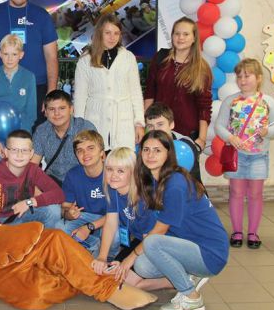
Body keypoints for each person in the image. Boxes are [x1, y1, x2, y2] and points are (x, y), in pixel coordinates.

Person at [114, 131, 229, 310]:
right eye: (146, 150)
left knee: (151, 244)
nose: (150, 155)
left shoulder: (175, 183)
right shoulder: (153, 180)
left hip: (210, 252)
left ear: (168, 154)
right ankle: (191, 276)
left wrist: (128, 259)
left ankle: (191, 297)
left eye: (157, 150)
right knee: (143, 266)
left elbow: (160, 230)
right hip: (188, 246)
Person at [214, 58, 274, 249]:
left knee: (255, 194)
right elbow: (219, 125)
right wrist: (230, 137)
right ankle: (237, 231)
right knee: (236, 193)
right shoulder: (230, 101)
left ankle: (253, 233)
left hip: (259, 156)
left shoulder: (268, 102)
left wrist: (268, 131)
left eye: (247, 76)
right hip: (236, 156)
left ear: (259, 78)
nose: (242, 80)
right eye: (239, 76)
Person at [0, 0, 58, 127]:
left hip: (36, 88)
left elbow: (52, 57)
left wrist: (51, 93)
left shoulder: (42, 15)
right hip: (1, 87)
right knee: (3, 137)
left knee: (34, 138)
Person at [74, 14, 145, 151]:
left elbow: (136, 92)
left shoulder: (128, 58)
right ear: (99, 33)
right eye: (108, 33)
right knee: (96, 157)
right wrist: (79, 126)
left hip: (123, 122)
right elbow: (80, 96)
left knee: (123, 160)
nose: (112, 37)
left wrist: (139, 123)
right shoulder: (85, 60)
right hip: (95, 121)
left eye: (116, 33)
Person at [144, 17, 212, 150]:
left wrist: (202, 139)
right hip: (159, 130)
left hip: (187, 135)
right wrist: (145, 126)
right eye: (177, 33)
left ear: (194, 38)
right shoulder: (160, 58)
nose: (181, 38)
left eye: (186, 34)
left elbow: (204, 107)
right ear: (172, 36)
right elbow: (149, 93)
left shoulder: (201, 68)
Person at [91, 147, 156, 275]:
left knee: (134, 270)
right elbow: (110, 223)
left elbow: (149, 239)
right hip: (137, 238)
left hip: (156, 241)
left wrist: (127, 262)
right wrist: (102, 257)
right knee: (111, 273)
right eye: (109, 169)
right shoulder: (113, 188)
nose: (113, 175)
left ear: (133, 173)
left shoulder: (144, 199)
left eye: (120, 171)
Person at [0, 129, 64, 228]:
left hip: (24, 215)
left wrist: (29, 202)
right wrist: (1, 231)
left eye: (24, 150)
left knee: (54, 210)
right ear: (6, 152)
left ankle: (44, 237)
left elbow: (59, 194)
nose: (19, 155)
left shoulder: (33, 170)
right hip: (1, 223)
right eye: (14, 150)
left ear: (31, 153)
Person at [0, 33, 36, 172]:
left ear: (21, 55)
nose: (10, 58)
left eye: (14, 54)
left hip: (20, 140)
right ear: (0, 54)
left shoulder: (29, 77)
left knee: (19, 178)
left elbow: (30, 113)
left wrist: (20, 142)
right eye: (6, 54)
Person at [61, 130, 118, 257]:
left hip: (111, 217)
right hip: (85, 216)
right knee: (60, 227)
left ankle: (108, 256)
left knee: (114, 237)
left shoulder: (114, 173)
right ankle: (94, 245)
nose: (85, 153)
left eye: (90, 148)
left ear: (102, 153)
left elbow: (118, 213)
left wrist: (89, 227)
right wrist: (69, 213)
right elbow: (65, 207)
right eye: (80, 150)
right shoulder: (73, 174)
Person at [32, 90, 96, 185]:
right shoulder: (41, 131)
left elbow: (96, 161)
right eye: (52, 109)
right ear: (45, 112)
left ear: (71, 109)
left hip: (82, 181)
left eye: (62, 108)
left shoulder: (84, 127)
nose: (57, 113)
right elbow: (33, 164)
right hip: (53, 182)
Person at [145, 102, 202, 185]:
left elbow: (193, 182)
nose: (155, 130)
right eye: (150, 126)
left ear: (171, 124)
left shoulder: (185, 146)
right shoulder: (145, 147)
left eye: (160, 124)